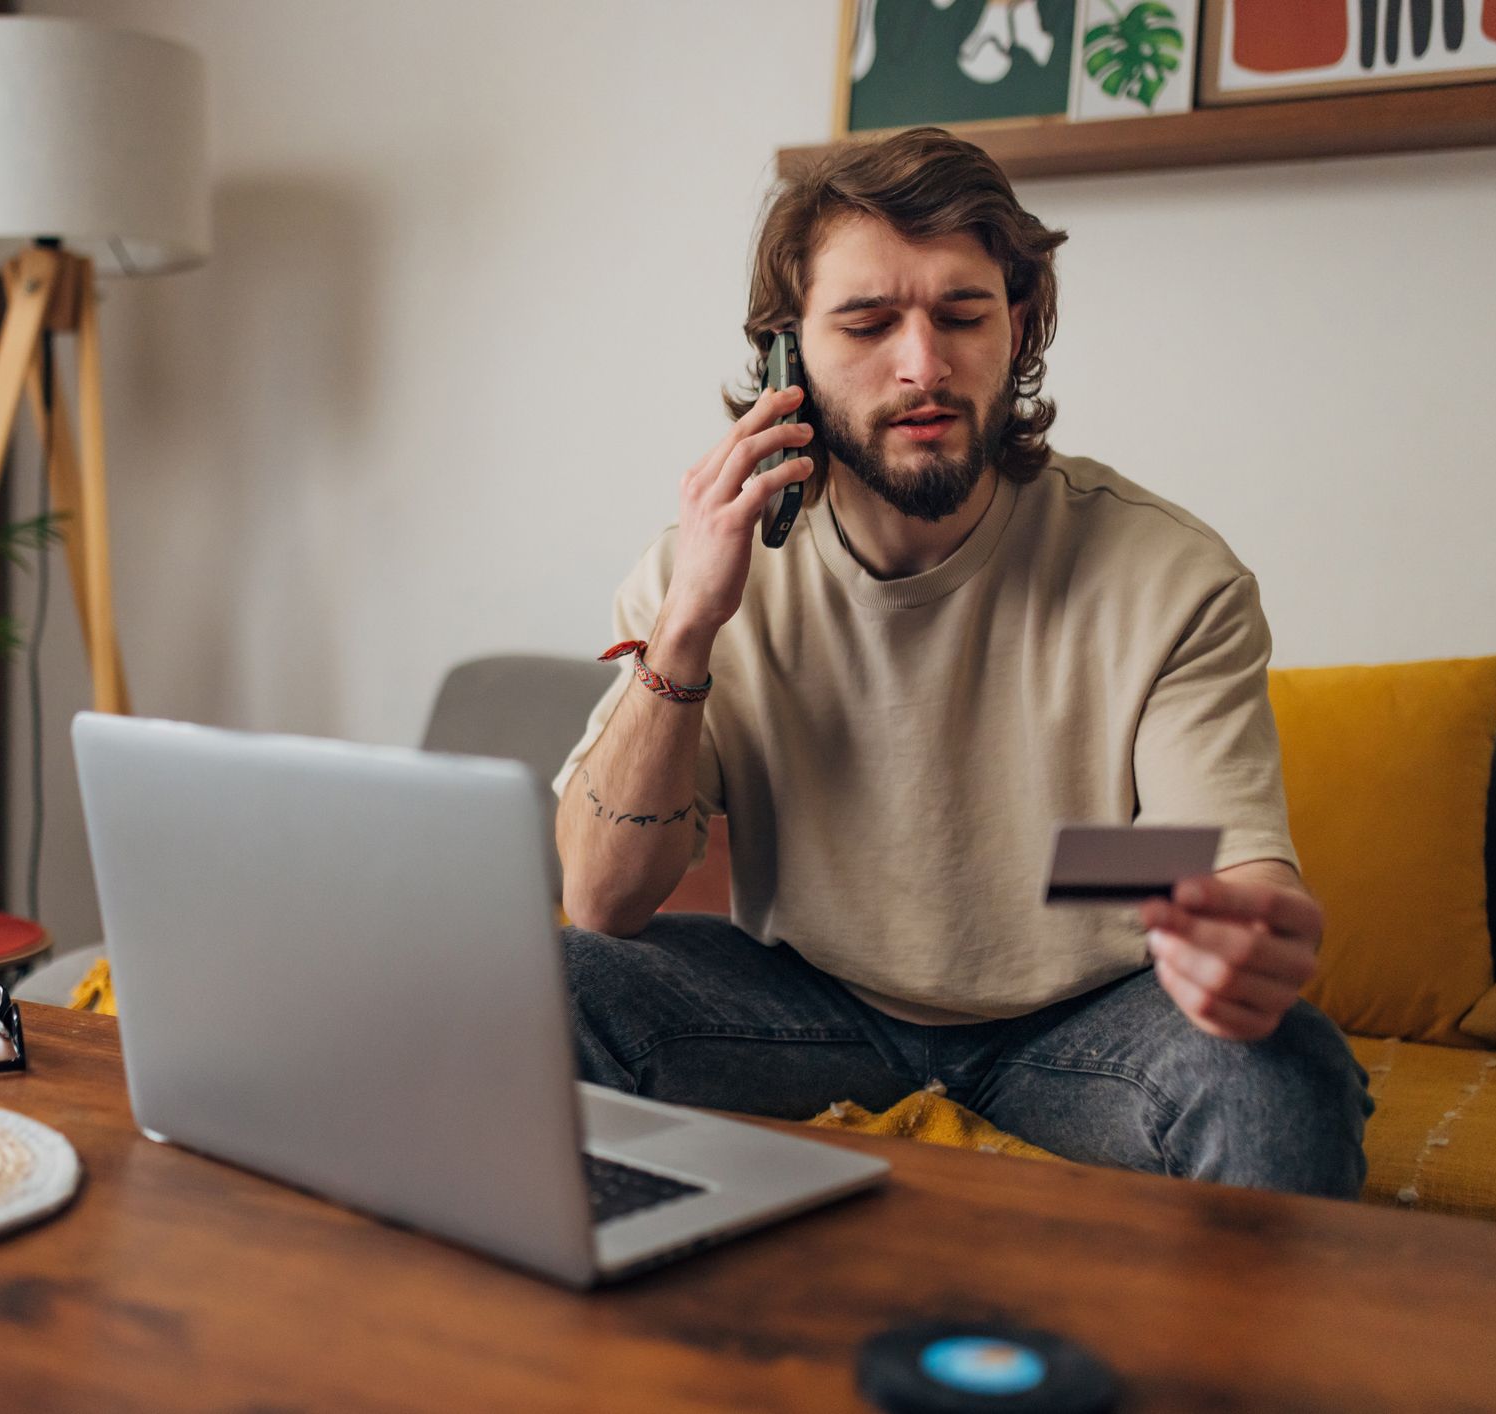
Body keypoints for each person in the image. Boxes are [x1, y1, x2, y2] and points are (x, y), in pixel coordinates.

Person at [552, 126, 1370, 1198]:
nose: (924, 366)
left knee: (1283, 1068)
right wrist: (688, 631)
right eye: (868, 322)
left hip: (1087, 1029)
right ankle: (662, 1352)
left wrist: (1241, 933)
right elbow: (604, 898)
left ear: (1019, 325)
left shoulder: (1170, 577)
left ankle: (1224, 1377)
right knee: (550, 986)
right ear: (783, 356)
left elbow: (1218, 865)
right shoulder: (703, 574)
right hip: (809, 1007)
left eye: (962, 314)